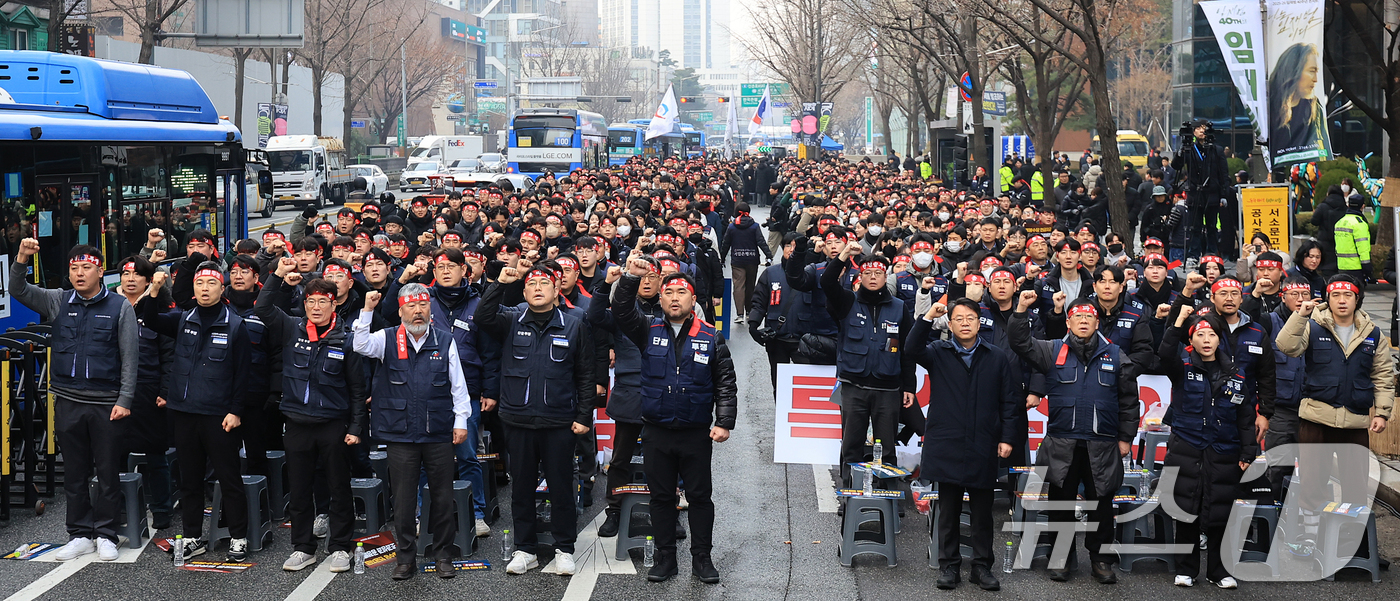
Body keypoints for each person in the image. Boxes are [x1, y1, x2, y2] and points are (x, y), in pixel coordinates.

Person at [611, 255, 738, 584]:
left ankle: (702, 558)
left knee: (699, 498)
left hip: (696, 433)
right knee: (661, 498)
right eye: (668, 292)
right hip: (656, 431)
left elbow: (725, 382)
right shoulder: (647, 329)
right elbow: (622, 309)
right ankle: (666, 558)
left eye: (681, 292)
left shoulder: (711, 336)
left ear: (692, 299)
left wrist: (723, 422)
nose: (674, 297)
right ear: (660, 298)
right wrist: (629, 276)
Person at [10, 240, 139, 562]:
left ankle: (106, 534)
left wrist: (124, 399)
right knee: (75, 474)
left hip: (107, 403)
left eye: (86, 268)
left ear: (100, 271)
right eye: (73, 269)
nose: (79, 274)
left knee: (108, 472)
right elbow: (18, 289)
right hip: (67, 401)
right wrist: (23, 257)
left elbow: (130, 358)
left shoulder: (119, 307)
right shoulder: (58, 300)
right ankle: (79, 533)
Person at [1008, 291, 1139, 583]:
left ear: (1097, 323)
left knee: (1102, 505)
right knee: (1061, 504)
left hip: (1102, 444)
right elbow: (1019, 342)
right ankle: (1060, 559)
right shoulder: (1053, 350)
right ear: (1068, 322)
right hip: (1062, 443)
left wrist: (1125, 438)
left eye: (1089, 316)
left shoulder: (1116, 355)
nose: (1083, 320)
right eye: (1077, 316)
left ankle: (1101, 560)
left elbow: (1130, 401)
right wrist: (1020, 310)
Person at [475, 262, 595, 577]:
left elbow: (584, 374)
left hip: (559, 422)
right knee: (522, 489)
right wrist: (498, 283)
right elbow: (482, 317)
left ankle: (564, 549)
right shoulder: (511, 320)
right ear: (524, 291)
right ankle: (524, 549)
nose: (538, 288)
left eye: (545, 283)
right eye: (532, 284)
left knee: (561, 488)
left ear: (557, 290)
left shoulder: (573, 325)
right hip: (518, 419)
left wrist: (584, 415)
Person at [353, 285, 473, 580]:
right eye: (411, 307)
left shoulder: (444, 340)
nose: (417, 312)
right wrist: (367, 311)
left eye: (422, 306)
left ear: (430, 310)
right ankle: (405, 559)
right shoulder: (387, 338)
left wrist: (461, 421)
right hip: (401, 433)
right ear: (401, 311)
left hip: (438, 431)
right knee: (404, 502)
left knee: (443, 498)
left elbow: (458, 385)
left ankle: (443, 554)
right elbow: (360, 345)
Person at [256, 262, 368, 572]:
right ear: (304, 304)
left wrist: (356, 426)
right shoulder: (292, 328)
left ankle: (340, 547)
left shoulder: (346, 339)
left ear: (334, 304)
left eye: (323, 301)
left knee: (338, 487)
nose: (316, 307)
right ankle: (303, 547)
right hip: (296, 423)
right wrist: (278, 277)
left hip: (333, 424)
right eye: (311, 301)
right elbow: (263, 307)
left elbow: (358, 389)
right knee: (301, 489)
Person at [141, 263, 254, 561]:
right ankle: (192, 536)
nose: (204, 289)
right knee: (189, 480)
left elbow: (243, 373)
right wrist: (154, 289)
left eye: (211, 284)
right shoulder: (182, 318)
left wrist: (236, 410)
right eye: (199, 283)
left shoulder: (235, 324)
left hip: (219, 415)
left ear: (222, 289)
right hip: (184, 412)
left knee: (228, 478)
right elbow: (148, 318)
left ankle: (238, 536)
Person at [906, 298, 1018, 591]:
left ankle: (981, 567)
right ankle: (949, 566)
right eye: (959, 318)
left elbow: (1010, 402)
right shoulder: (938, 352)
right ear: (951, 324)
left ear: (980, 322)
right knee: (949, 510)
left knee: (983, 512)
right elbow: (911, 348)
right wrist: (929, 315)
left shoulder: (996, 357)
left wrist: (1007, 438)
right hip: (947, 442)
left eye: (971, 318)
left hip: (983, 443)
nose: (965, 322)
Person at [1275, 275, 1393, 551]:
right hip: (1317, 415)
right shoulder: (1313, 324)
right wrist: (1300, 316)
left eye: (1348, 295)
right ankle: (1309, 536)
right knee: (1313, 481)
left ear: (1357, 299)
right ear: (1327, 298)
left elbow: (1384, 375)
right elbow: (1286, 346)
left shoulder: (1372, 332)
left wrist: (1383, 412)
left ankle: (1350, 541)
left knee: (1355, 484)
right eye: (1336, 294)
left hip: (1355, 419)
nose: (1341, 300)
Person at [1158, 307, 1257, 589]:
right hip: (1187, 448)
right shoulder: (1182, 367)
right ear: (1192, 340)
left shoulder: (1235, 375)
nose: (1206, 339)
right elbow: (1164, 354)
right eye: (1199, 334)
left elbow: (1245, 418)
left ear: (1219, 339)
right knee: (1186, 511)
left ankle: (1218, 571)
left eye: (1211, 334)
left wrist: (1248, 452)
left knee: (1219, 513)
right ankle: (1186, 570)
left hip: (1223, 450)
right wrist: (1178, 321)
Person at [822, 243, 916, 487]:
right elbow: (827, 282)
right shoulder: (847, 303)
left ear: (886, 277)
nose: (873, 278)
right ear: (860, 276)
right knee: (851, 445)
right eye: (867, 273)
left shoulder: (899, 308)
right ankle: (850, 493)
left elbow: (907, 351)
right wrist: (844, 255)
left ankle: (888, 495)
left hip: (888, 389)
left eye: (878, 273)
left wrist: (909, 387)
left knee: (886, 446)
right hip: (854, 386)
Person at [1268, 43, 1331, 161]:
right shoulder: (1269, 107)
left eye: (1317, 71)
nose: (1316, 79)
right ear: (1293, 71)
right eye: (1312, 71)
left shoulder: (1313, 107)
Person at [720, 202, 771, 325]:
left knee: (738, 286)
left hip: (737, 260)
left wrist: (721, 258)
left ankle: (739, 314)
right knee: (750, 286)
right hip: (752, 260)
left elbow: (726, 243)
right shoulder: (754, 226)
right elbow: (761, 241)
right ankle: (749, 311)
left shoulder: (732, 227)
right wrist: (768, 255)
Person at [1333, 194, 1372, 285]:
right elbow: (1363, 248)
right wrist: (1367, 268)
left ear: (1348, 205)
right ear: (1363, 206)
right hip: (1356, 267)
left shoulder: (1340, 222)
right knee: (1356, 295)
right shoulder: (1359, 224)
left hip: (1341, 266)